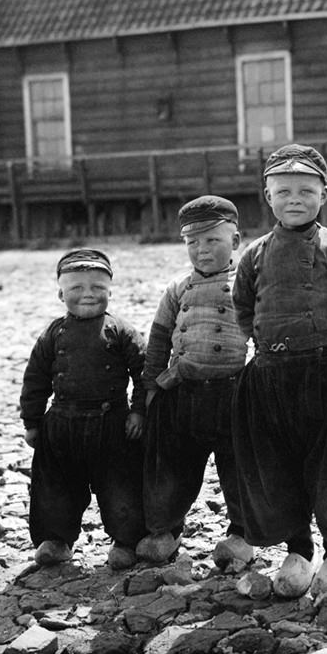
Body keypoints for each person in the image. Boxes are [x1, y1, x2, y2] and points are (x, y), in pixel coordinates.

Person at [232, 143, 327, 599]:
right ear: (267, 195)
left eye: (305, 190)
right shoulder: (255, 255)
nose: (294, 199)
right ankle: (297, 548)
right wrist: (265, 348)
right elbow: (243, 307)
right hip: (270, 377)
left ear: (324, 195)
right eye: (283, 191)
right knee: (277, 467)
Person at [135, 195, 253, 568]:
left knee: (239, 469)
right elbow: (157, 341)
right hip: (182, 394)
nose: (202, 251)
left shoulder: (248, 284)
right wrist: (151, 387)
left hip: (232, 394)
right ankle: (165, 530)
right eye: (193, 242)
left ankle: (241, 534)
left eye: (212, 241)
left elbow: (264, 335)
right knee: (172, 467)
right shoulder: (177, 289)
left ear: (234, 242)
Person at [20, 248, 148, 570]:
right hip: (62, 424)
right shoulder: (53, 334)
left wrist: (138, 412)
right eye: (76, 288)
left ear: (110, 292)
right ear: (60, 292)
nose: (87, 295)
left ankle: (126, 541)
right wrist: (33, 422)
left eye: (97, 288)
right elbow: (35, 378)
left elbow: (145, 373)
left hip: (113, 425)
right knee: (55, 487)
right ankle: (56, 540)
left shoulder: (121, 332)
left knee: (121, 486)